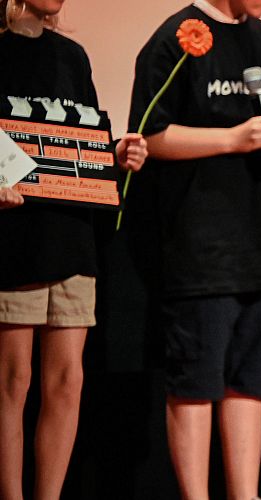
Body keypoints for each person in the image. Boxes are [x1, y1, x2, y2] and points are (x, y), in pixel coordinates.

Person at [128, 0, 261, 498]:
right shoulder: (177, 35)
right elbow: (151, 135)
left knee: (251, 381)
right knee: (195, 381)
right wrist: (232, 139)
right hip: (202, 243)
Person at [0, 1, 147, 498]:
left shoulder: (72, 55)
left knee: (67, 381)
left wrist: (116, 155)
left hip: (72, 235)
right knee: (13, 380)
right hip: (14, 238)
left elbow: (84, 144)